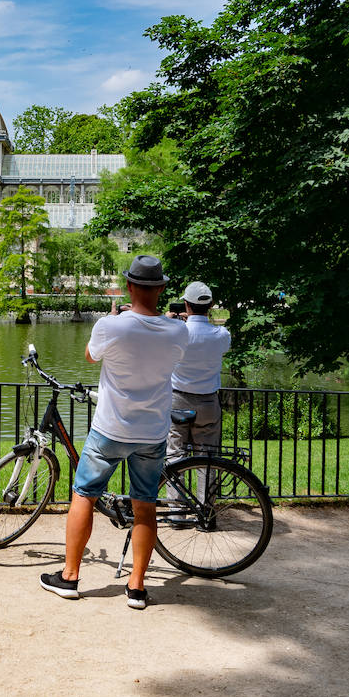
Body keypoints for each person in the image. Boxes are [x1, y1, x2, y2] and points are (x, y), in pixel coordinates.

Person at [39, 255, 187, 610]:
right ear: (162, 289)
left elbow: (91, 356)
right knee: (145, 507)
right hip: (152, 431)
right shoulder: (178, 330)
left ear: (130, 287)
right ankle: (136, 587)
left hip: (111, 428)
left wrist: (115, 317)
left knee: (84, 495)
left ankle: (71, 576)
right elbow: (173, 359)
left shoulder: (112, 325)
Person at [167, 281, 230, 459]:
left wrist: (168, 321)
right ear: (210, 305)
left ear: (186, 305)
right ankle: (207, 488)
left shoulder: (176, 332)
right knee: (208, 458)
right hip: (208, 401)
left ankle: (176, 487)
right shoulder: (222, 334)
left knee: (175, 455)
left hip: (178, 399)